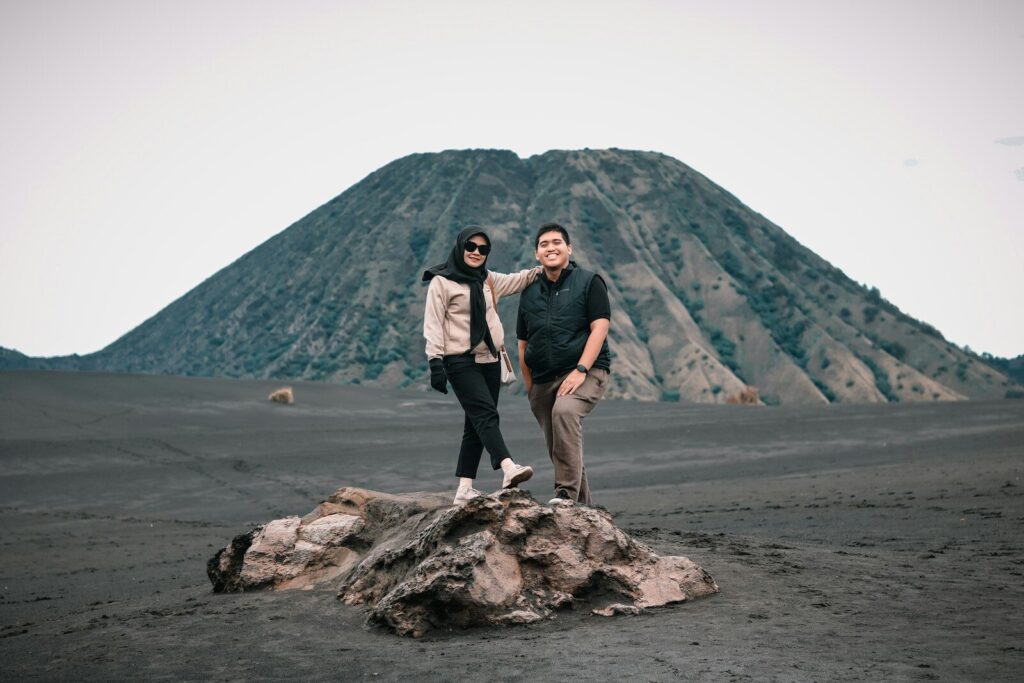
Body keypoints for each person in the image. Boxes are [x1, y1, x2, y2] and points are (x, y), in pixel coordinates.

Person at [423, 226, 540, 505]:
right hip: (459, 361)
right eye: (471, 247)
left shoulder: (487, 279)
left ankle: (464, 488)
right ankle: (508, 467)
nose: (476, 253)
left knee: (475, 424)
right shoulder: (442, 282)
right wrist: (435, 361)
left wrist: (545, 267)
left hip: (490, 359)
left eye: (483, 249)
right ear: (460, 247)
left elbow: (518, 279)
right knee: (486, 415)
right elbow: (433, 323)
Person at [516, 223, 611, 506]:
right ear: (537, 254)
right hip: (543, 379)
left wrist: (581, 370)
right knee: (560, 446)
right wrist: (531, 387)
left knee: (565, 413)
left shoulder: (589, 281)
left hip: (587, 371)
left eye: (557, 242)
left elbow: (600, 327)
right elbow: (523, 342)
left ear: (569, 248)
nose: (551, 247)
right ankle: (584, 512)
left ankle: (565, 494)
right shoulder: (529, 291)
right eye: (544, 244)